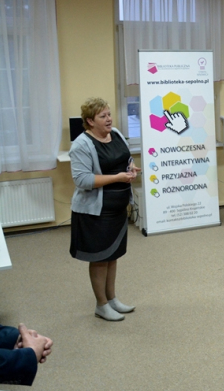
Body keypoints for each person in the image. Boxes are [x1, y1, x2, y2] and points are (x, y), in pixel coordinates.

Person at [70, 97, 140, 321]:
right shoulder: (81, 144)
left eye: (109, 114)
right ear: (90, 121)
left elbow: (124, 158)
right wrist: (117, 177)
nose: (109, 119)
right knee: (100, 258)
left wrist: (130, 168)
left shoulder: (116, 133)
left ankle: (112, 299)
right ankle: (101, 304)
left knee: (113, 255)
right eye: (103, 116)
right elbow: (82, 180)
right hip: (95, 212)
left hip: (117, 209)